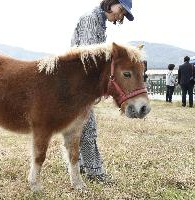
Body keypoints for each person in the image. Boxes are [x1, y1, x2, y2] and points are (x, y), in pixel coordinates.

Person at [70, 0, 134, 184]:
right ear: (111, 3)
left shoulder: (99, 22)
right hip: (80, 83)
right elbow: (91, 58)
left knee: (79, 127)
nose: (120, 15)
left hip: (81, 82)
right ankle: (95, 172)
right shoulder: (91, 20)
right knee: (88, 129)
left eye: (123, 13)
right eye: (121, 10)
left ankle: (81, 163)